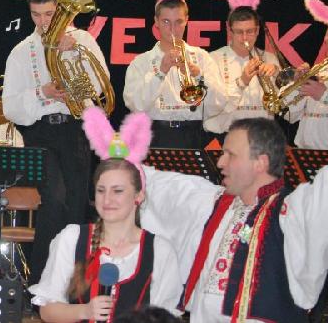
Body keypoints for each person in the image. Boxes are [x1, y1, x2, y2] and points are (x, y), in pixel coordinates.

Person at [140, 117, 328, 322]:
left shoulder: (292, 212)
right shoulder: (215, 204)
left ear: (260, 163)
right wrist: (122, 157)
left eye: (230, 155)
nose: (220, 162)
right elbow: (163, 187)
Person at [3, 0, 110, 284]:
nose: (43, 21)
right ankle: (40, 282)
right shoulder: (21, 51)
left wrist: (72, 55)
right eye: (36, 15)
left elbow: (100, 88)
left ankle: (72, 284)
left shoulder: (83, 41)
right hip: (40, 134)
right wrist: (43, 92)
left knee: (76, 205)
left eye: (49, 14)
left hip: (74, 130)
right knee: (55, 198)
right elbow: (11, 108)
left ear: (60, 9)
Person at [30, 107, 182, 322]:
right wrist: (84, 311)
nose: (107, 199)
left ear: (138, 195)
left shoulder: (160, 250)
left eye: (118, 191)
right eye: (101, 190)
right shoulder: (72, 238)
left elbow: (166, 317)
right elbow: (47, 311)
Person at [124, 0, 230, 150]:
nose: (173, 29)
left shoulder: (202, 57)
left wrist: (199, 75)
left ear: (187, 20)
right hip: (155, 135)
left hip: (194, 135)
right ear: (156, 21)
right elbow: (136, 106)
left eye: (178, 22)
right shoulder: (141, 62)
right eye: (166, 22)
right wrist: (161, 72)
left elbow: (219, 104)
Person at [205, 0, 278, 143]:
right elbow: (211, 106)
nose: (245, 38)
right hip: (225, 137)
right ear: (229, 31)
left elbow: (279, 105)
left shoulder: (270, 59)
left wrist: (277, 76)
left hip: (261, 138)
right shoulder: (213, 59)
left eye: (250, 31)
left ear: (257, 31)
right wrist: (242, 81)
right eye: (239, 32)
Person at [284, 0, 328, 149]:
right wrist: (298, 85)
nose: (326, 40)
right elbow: (290, 114)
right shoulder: (320, 70)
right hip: (305, 150)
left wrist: (324, 96)